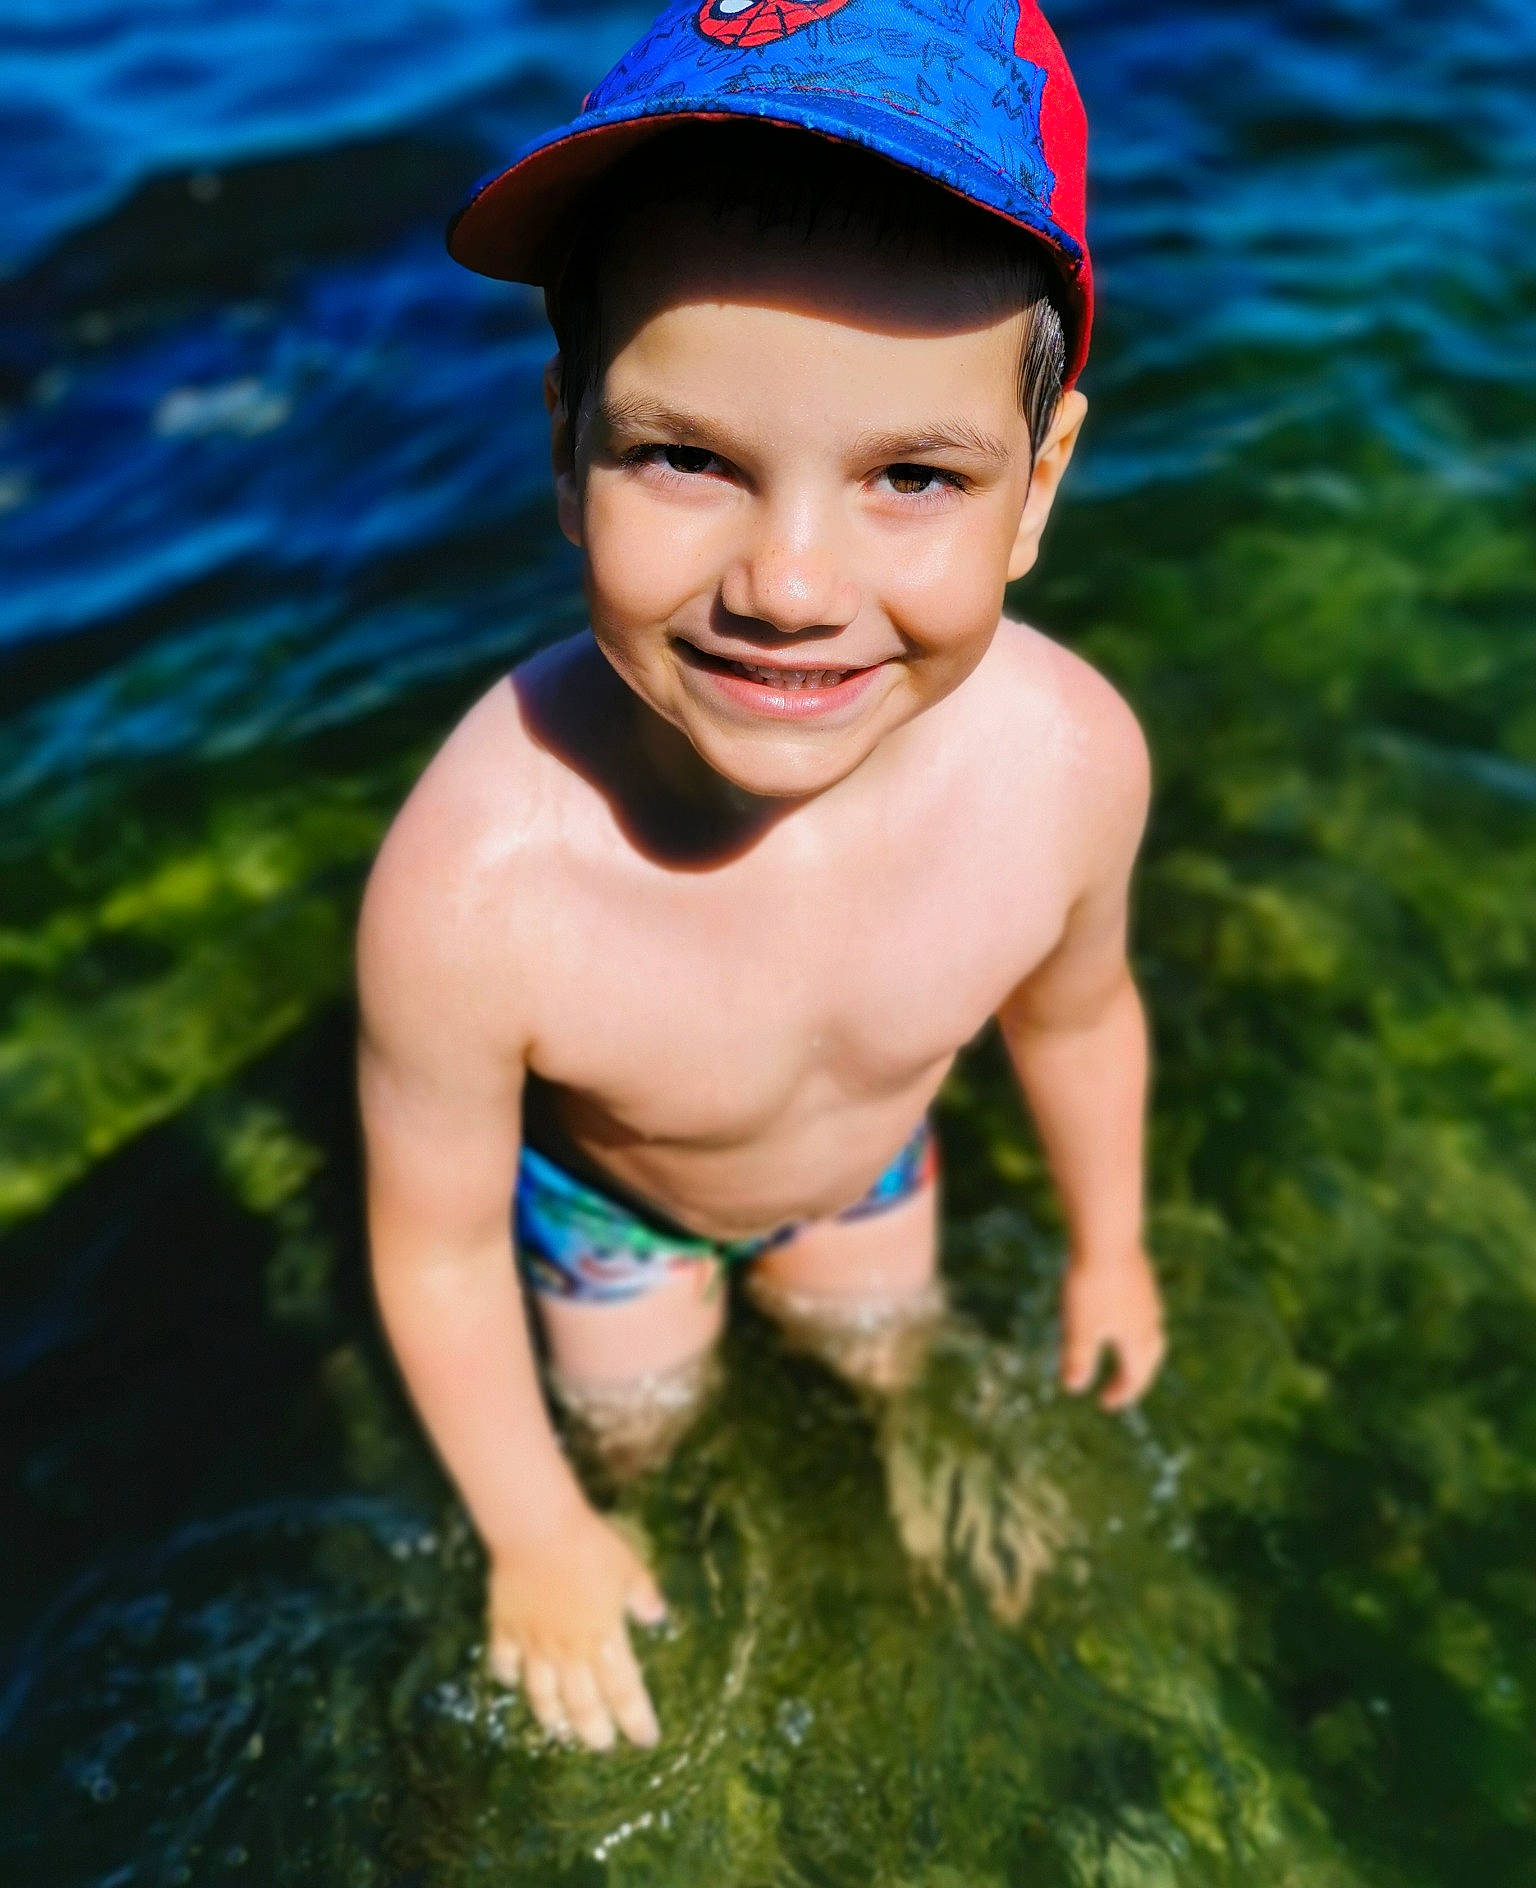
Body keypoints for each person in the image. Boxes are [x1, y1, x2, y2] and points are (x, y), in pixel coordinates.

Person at [357, 0, 1165, 1754]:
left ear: (1038, 489)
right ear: (565, 441)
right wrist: (535, 1531)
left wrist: (1113, 1253)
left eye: (911, 476)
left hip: (871, 1166)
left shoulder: (1071, 767)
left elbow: (1082, 1018)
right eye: (689, 457)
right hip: (614, 1224)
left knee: (889, 1355)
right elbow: (430, 1251)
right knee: (641, 1444)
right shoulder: (478, 881)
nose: (788, 583)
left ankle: (909, 1518)